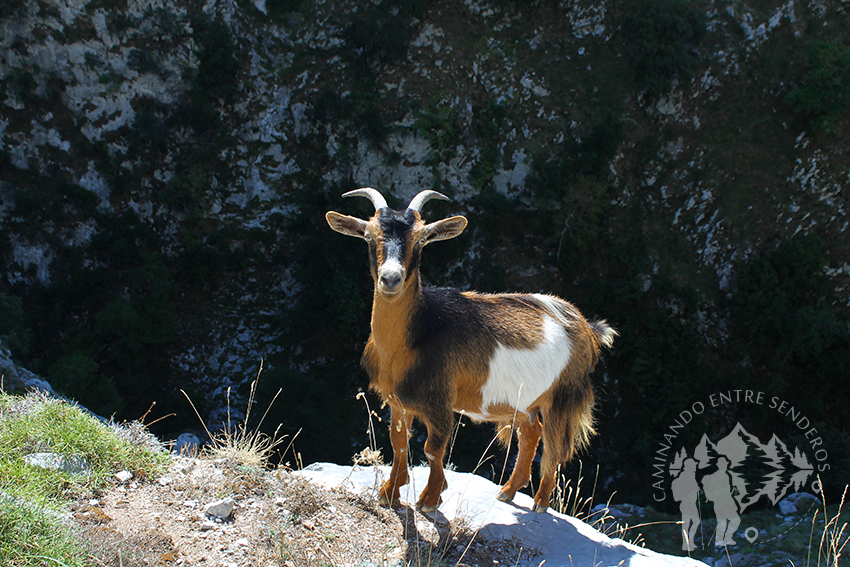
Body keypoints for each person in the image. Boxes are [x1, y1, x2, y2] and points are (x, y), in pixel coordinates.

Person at [702, 456, 741, 546]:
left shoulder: (727, 475)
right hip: (720, 501)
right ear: (718, 465)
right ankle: (720, 540)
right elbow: (718, 490)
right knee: (723, 521)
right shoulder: (716, 476)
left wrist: (732, 490)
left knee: (733, 520)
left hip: (726, 501)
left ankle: (726, 538)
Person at [671, 458, 701, 551]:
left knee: (694, 521)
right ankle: (687, 544)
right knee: (687, 523)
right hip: (686, 503)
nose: (695, 467)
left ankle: (689, 542)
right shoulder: (684, 477)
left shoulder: (691, 476)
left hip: (691, 503)